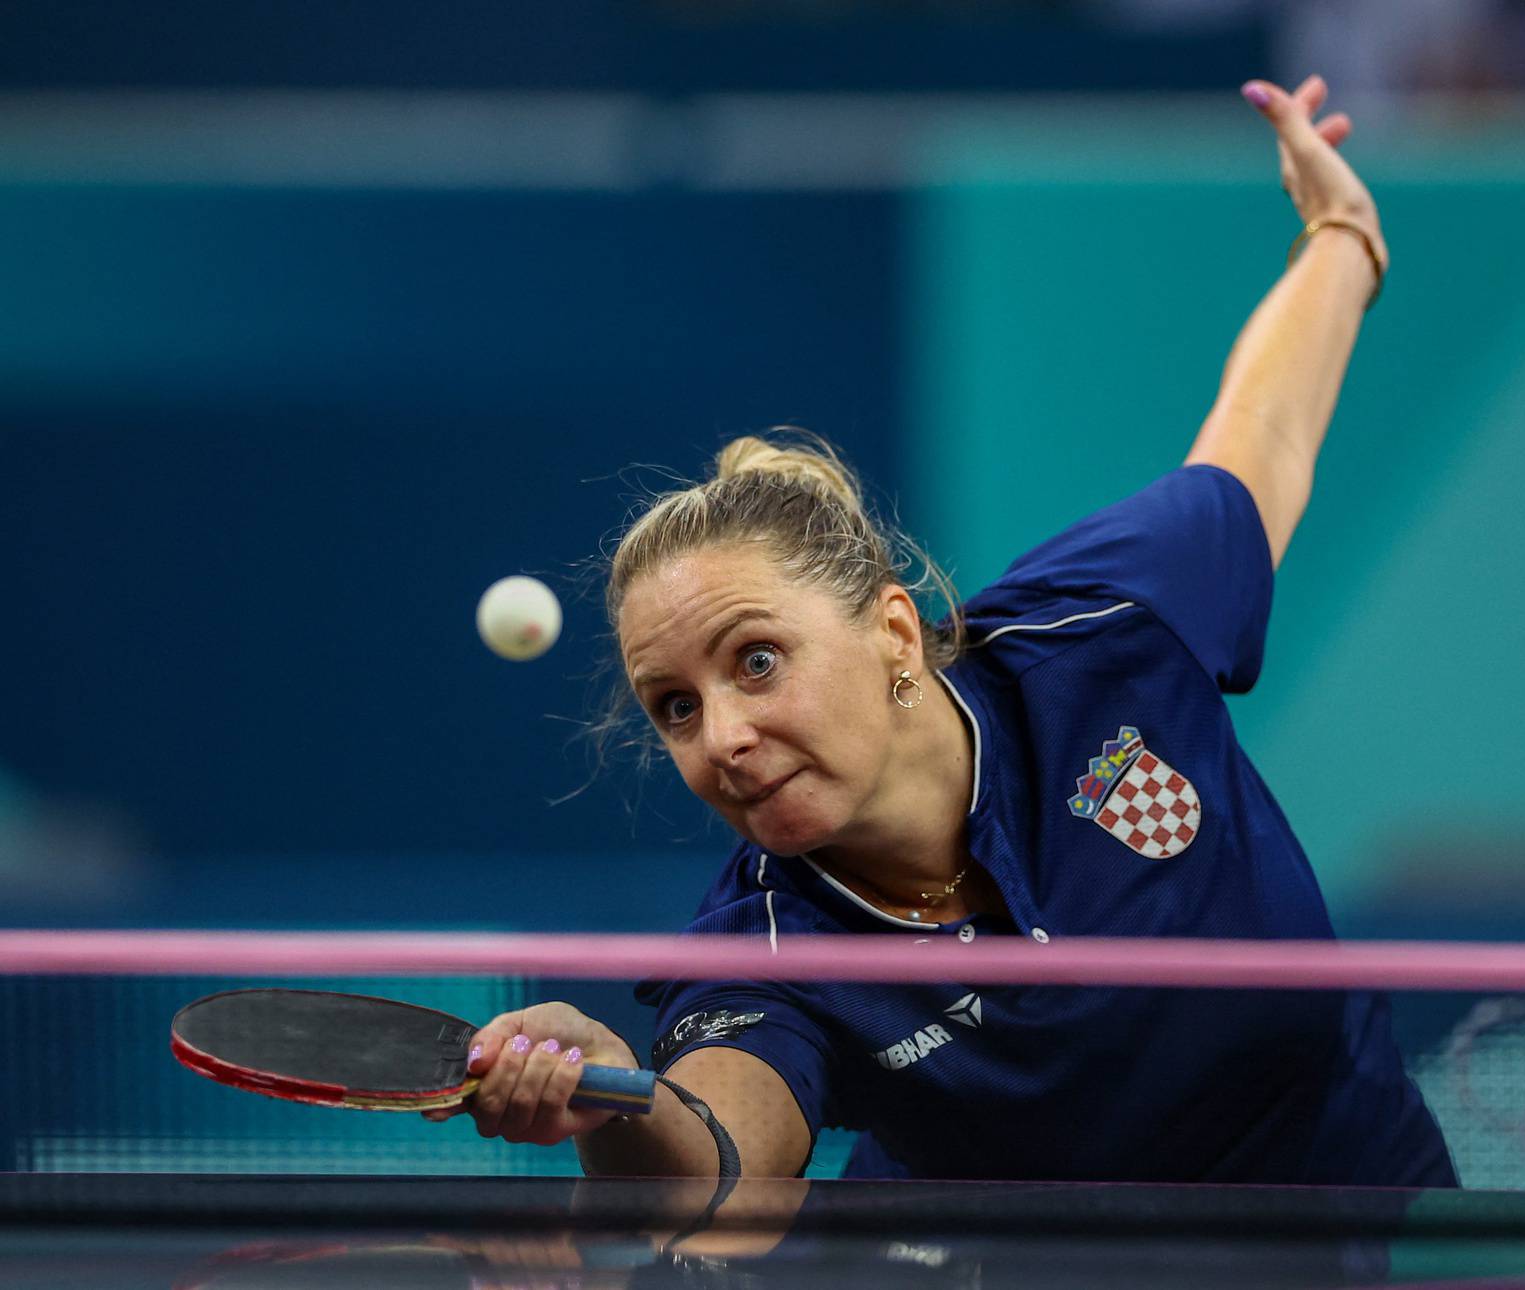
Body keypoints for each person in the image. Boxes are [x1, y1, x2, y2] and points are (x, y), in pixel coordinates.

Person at [430, 74, 1455, 1188]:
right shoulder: (766, 948)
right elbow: (723, 1174)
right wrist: (615, 1103)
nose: (720, 738)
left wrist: (1345, 232)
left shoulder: (1107, 626)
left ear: (895, 635)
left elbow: (1262, 433)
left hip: (1350, 1198)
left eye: (757, 661)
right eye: (675, 707)